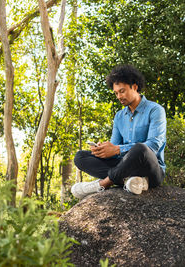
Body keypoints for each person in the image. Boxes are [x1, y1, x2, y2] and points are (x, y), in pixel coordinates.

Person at [71, 64, 166, 199]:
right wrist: (102, 150)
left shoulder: (155, 110)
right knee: (80, 157)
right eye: (116, 93)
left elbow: (153, 146)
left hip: (150, 170)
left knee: (141, 148)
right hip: (124, 166)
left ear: (134, 86)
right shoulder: (119, 116)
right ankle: (128, 181)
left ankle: (103, 183)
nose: (119, 96)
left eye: (122, 91)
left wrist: (117, 149)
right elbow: (115, 148)